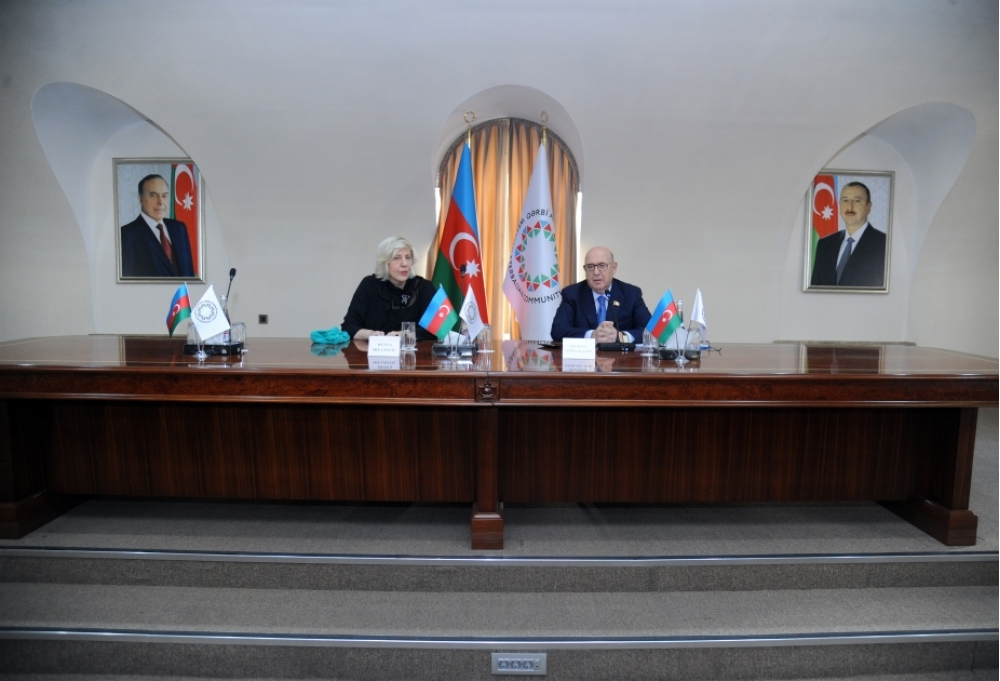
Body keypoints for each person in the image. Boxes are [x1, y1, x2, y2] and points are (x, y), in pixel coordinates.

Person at [342, 236, 438, 341]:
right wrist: (371, 334)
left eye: (408, 257)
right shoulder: (369, 285)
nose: (404, 264)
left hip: (415, 351)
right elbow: (348, 327)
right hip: (374, 351)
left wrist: (403, 335)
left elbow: (435, 330)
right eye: (396, 258)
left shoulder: (424, 287)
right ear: (385, 262)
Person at [550, 246, 652, 343]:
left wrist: (622, 336)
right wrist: (592, 335)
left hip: (620, 355)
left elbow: (651, 330)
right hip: (585, 355)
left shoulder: (631, 294)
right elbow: (558, 330)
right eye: (590, 267)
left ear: (614, 268)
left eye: (602, 266)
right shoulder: (572, 294)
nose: (596, 272)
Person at [810, 181, 887, 287]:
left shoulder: (884, 244)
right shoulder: (824, 245)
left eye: (857, 201)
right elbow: (815, 289)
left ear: (868, 207)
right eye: (845, 200)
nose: (850, 207)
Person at [120, 174, 196, 278]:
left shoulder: (179, 228)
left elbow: (189, 273)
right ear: (140, 198)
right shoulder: (126, 235)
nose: (160, 202)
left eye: (164, 196)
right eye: (153, 195)